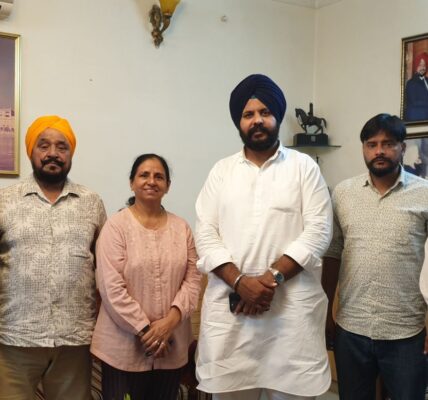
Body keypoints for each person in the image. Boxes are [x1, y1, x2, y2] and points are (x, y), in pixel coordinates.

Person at [195, 74, 333, 400]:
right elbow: (205, 233)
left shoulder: (304, 167)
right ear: (239, 122)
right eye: (248, 114)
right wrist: (239, 282)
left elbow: (318, 231)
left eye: (265, 112)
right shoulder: (221, 171)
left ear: (277, 117)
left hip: (291, 322)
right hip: (232, 322)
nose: (257, 120)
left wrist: (268, 279)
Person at [322, 113, 428, 400]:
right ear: (364, 149)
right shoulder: (343, 194)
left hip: (406, 332)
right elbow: (333, 254)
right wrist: (327, 312)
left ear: (402, 148)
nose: (379, 151)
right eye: (371, 144)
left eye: (388, 143)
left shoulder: (424, 194)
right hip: (351, 329)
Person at [0, 115, 106, 399]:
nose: (53, 153)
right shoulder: (4, 201)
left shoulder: (91, 202)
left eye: (62, 147)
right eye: (43, 145)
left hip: (74, 339)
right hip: (15, 338)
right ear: (31, 151)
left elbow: (106, 269)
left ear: (70, 154)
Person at [90, 153, 201, 400]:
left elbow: (193, 280)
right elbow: (111, 288)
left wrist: (169, 323)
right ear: (132, 183)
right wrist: (148, 332)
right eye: (144, 175)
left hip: (171, 345)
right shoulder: (116, 227)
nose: (151, 181)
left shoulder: (182, 228)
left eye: (159, 177)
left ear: (167, 186)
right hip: (123, 349)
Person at [404, 52, 428, 122]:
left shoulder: (427, 80)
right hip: (416, 119)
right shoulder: (411, 83)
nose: (422, 68)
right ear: (416, 66)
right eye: (420, 65)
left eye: (424, 65)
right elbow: (414, 101)